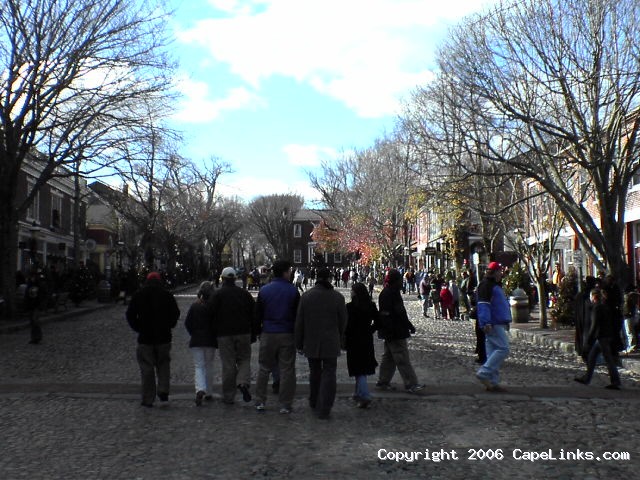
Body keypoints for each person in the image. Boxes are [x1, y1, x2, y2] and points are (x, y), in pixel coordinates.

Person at [295, 268, 347, 419]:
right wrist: (340, 335)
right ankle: (325, 406)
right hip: (331, 340)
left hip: (311, 340)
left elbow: (300, 322)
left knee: (315, 371)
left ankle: (314, 399)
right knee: (330, 372)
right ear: (330, 278)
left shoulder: (306, 297)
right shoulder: (337, 297)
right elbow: (343, 321)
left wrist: (298, 342)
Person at [126, 272, 180, 407]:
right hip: (163, 337)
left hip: (145, 338)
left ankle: (148, 398)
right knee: (163, 364)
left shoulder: (139, 295)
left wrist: (138, 328)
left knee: (147, 368)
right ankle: (163, 391)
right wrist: (169, 325)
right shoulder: (167, 295)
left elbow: (130, 314)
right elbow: (176, 313)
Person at [254, 260, 300, 414]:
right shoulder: (293, 291)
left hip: (268, 332)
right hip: (287, 332)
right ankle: (285, 403)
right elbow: (297, 315)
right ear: (285, 272)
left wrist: (258, 331)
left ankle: (260, 400)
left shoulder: (264, 290)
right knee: (287, 369)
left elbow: (258, 314)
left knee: (264, 367)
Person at [208, 267, 257, 405]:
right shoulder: (244, 294)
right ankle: (242, 382)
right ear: (235, 279)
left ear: (222, 279)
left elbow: (210, 315)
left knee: (228, 364)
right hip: (243, 332)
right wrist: (254, 332)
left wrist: (213, 332)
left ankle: (229, 396)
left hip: (224, 334)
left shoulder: (217, 296)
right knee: (244, 359)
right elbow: (254, 314)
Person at [375, 269, 425, 393]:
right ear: (395, 281)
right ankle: (411, 384)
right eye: (399, 280)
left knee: (389, 358)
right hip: (395, 331)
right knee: (402, 358)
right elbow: (389, 314)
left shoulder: (390, 292)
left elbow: (400, 312)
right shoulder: (389, 294)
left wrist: (409, 325)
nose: (401, 282)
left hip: (393, 330)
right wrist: (395, 330)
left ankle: (383, 381)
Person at [475, 262, 511, 392]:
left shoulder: (492, 285)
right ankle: (484, 373)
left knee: (492, 352)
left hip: (496, 322)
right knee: (503, 348)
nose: (501, 273)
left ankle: (492, 381)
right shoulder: (487, 286)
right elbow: (483, 305)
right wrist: (485, 322)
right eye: (499, 271)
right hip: (493, 323)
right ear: (494, 272)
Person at [575, 289, 621, 389]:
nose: (590, 299)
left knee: (609, 360)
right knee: (592, 357)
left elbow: (594, 325)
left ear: (594, 297)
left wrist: (589, 339)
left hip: (602, 337)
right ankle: (586, 378)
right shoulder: (605, 306)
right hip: (606, 336)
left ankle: (615, 381)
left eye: (591, 296)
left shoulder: (597, 308)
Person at [345, 282, 379, 408]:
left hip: (353, 340)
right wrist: (371, 329)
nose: (350, 292)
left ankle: (364, 395)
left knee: (358, 369)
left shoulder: (349, 307)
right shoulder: (371, 305)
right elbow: (379, 321)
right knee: (361, 367)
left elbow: (345, 324)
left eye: (352, 290)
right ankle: (357, 393)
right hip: (366, 339)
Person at [184, 281, 216, 406]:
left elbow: (188, 323)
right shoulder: (213, 307)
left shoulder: (194, 306)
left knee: (199, 366)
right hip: (210, 340)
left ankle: (200, 389)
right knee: (209, 365)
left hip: (196, 340)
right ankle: (209, 392)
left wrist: (194, 333)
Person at [24, 267, 46, 345]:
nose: (33, 278)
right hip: (31, 306)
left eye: (34, 277)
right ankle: (33, 338)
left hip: (36, 305)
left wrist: (40, 304)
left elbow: (42, 295)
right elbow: (27, 296)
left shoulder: (39, 285)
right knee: (32, 322)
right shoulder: (29, 285)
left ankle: (38, 336)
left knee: (35, 320)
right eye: (31, 277)